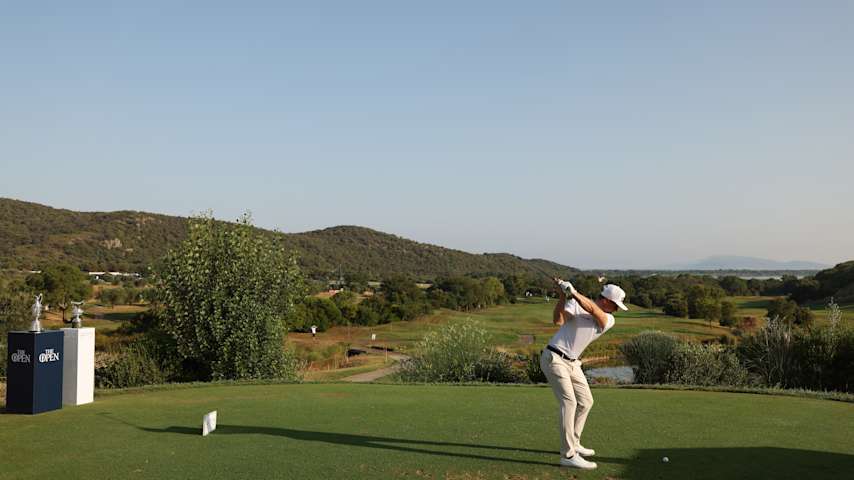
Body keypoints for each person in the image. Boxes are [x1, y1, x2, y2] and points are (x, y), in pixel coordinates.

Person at [540, 278, 627, 469]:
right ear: (606, 300)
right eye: (616, 305)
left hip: (572, 363)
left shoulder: (608, 319)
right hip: (554, 358)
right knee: (569, 402)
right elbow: (558, 320)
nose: (617, 309)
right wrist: (564, 296)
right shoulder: (575, 303)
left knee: (586, 401)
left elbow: (594, 311)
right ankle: (568, 455)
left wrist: (574, 292)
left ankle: (575, 443)